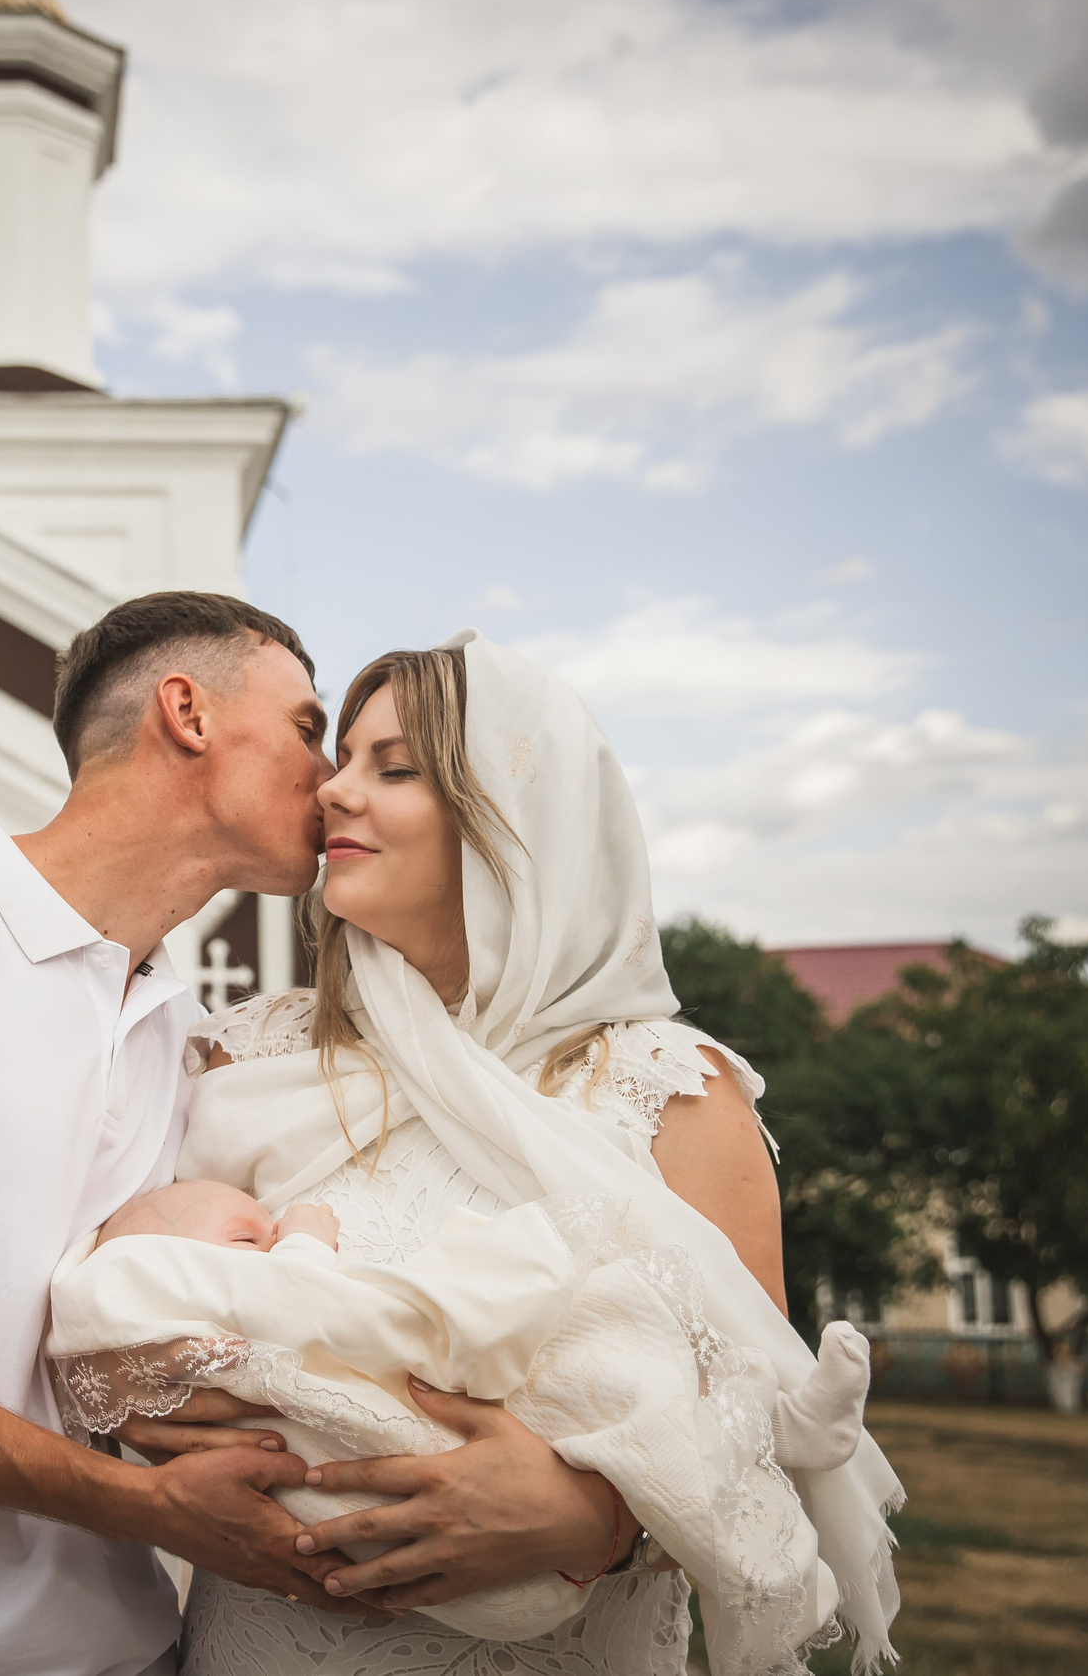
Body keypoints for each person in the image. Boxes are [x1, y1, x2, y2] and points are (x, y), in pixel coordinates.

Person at [0, 595, 631, 1675]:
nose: (330, 780)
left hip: (131, 1649)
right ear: (187, 713)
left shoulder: (187, 1040)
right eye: (307, 728)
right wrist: (142, 1504)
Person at [154, 634, 904, 1676]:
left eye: (395, 768)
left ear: (516, 818)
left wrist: (598, 1522)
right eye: (343, 756)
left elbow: (764, 1432)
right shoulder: (248, 1057)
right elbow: (136, 1315)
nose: (334, 789)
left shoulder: (670, 1092)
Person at [48, 1181, 873, 1663]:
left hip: (548, 1591)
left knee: (604, 1369)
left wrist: (601, 1521)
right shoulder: (220, 1087)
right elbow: (298, 1303)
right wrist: (302, 1243)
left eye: (266, 1228)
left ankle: (769, 1428)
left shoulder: (684, 1080)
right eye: (244, 1233)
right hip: (315, 1593)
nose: (267, 1232)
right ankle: (763, 1427)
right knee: (585, 1349)